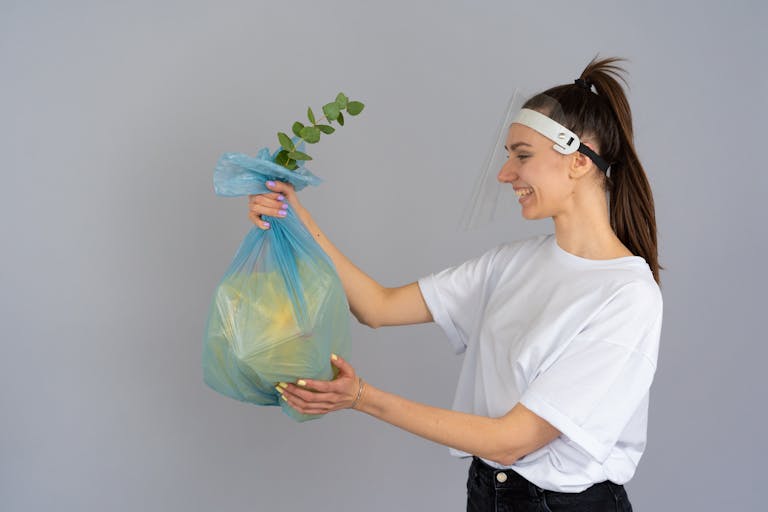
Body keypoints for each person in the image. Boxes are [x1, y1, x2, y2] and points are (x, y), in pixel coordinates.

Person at [247, 56, 662, 511]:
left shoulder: (626, 296)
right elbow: (377, 307)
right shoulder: (512, 263)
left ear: (579, 161)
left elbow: (512, 441)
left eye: (521, 156)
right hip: (490, 491)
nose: (505, 174)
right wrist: (295, 215)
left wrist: (361, 398)